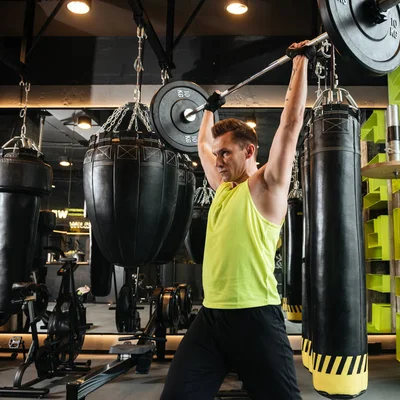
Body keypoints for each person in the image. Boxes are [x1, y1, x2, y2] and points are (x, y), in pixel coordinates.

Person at [160, 40, 315, 400]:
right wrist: (209, 111)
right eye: (217, 155)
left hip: (256, 318)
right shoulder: (224, 187)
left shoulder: (266, 186)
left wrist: (299, 63)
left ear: (249, 151)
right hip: (210, 318)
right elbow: (201, 147)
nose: (217, 162)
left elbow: (290, 125)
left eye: (225, 153)